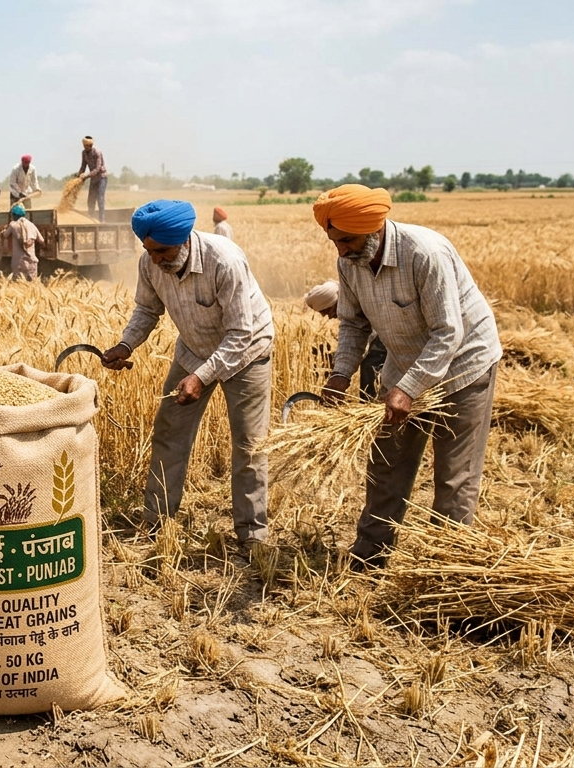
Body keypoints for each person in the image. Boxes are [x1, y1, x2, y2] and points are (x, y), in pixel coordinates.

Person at [313, 184, 501, 571]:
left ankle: (446, 567)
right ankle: (370, 555)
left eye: (347, 240)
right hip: (404, 362)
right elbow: (352, 324)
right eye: (335, 241)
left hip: (463, 366)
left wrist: (409, 389)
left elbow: (449, 333)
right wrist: (340, 374)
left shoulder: (424, 253)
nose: (341, 250)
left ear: (374, 228)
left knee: (454, 476)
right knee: (387, 463)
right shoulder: (348, 262)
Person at [100, 200, 275, 550]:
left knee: (249, 445)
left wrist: (203, 376)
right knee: (169, 432)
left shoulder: (223, 260)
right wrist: (125, 345)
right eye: (148, 251)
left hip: (247, 354)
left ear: (183, 240)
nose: (155, 260)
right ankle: (156, 518)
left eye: (161, 251)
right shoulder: (151, 263)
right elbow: (148, 309)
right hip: (193, 350)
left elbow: (240, 333)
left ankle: (252, 534)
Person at [304, 280, 385, 401]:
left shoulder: (362, 301)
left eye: (328, 311)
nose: (329, 317)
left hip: (386, 342)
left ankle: (373, 405)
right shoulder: (351, 307)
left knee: (371, 365)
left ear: (337, 303)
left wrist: (339, 368)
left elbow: (363, 340)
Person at [2, 204, 44, 282]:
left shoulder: (13, 225)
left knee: (18, 282)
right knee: (32, 283)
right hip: (31, 260)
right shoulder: (32, 225)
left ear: (14, 216)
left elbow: (5, 235)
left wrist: (4, 229)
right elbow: (41, 240)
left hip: (18, 262)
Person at [76, 136, 108, 221]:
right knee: (90, 200)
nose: (85, 147)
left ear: (91, 145)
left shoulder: (97, 153)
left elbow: (97, 169)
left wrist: (86, 176)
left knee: (100, 198)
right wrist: (78, 176)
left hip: (102, 178)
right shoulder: (84, 153)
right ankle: (91, 219)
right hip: (93, 179)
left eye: (86, 146)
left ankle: (102, 221)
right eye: (84, 145)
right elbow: (83, 166)